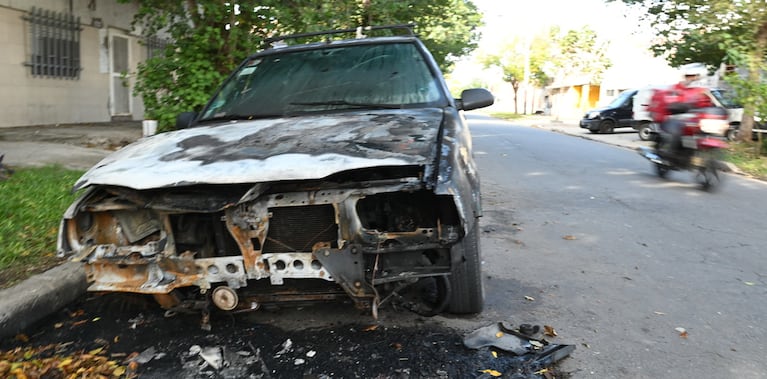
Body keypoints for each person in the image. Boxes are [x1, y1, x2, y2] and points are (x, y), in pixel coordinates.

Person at [647, 64, 714, 152]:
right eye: (689, 76)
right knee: (675, 134)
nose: (692, 78)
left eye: (695, 76)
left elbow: (709, 105)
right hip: (676, 121)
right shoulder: (675, 89)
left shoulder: (703, 91)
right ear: (685, 76)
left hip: (696, 122)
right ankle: (670, 154)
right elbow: (668, 102)